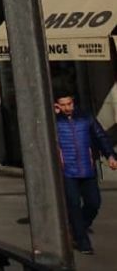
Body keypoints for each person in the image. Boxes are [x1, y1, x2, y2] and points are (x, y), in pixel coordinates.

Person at [54, 92, 117, 256]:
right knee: (73, 205)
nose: (67, 108)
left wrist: (110, 155)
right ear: (57, 106)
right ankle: (83, 242)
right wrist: (53, 115)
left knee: (94, 203)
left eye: (69, 104)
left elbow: (100, 136)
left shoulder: (85, 117)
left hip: (87, 168)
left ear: (73, 103)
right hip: (67, 171)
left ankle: (76, 228)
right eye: (63, 105)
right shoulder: (53, 122)